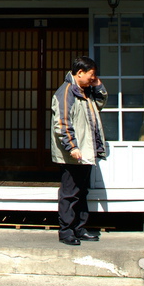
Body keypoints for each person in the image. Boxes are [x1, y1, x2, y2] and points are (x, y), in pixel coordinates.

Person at [51, 56, 108, 246]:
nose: (94, 78)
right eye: (92, 74)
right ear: (79, 73)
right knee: (69, 193)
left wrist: (98, 84)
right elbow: (62, 122)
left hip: (85, 151)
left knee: (82, 192)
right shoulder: (66, 92)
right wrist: (72, 146)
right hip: (73, 154)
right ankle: (66, 231)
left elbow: (100, 102)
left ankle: (79, 228)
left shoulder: (85, 92)